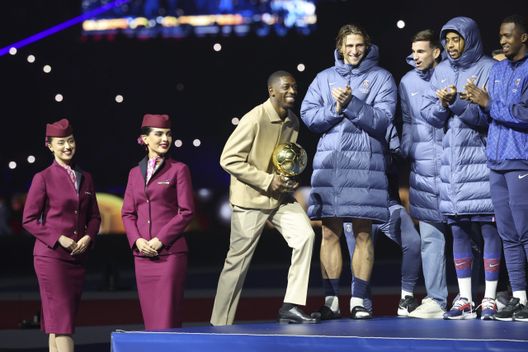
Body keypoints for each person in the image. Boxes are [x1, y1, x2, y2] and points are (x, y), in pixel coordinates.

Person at [301, 24, 396, 319]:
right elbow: (308, 116)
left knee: (363, 233)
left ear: (366, 46)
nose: (354, 51)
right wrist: (335, 108)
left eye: (359, 46)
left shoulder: (382, 77)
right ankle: (330, 301)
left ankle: (358, 299)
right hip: (330, 165)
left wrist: (350, 103)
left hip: (367, 164)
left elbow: (383, 120)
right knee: (329, 234)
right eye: (349, 46)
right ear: (340, 47)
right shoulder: (323, 78)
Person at [210, 71, 318, 325]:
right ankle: (219, 324)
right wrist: (268, 180)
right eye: (286, 88)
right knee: (237, 263)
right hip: (250, 199)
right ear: (271, 91)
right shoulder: (254, 119)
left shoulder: (293, 121)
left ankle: (290, 306)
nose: (292, 92)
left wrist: (287, 178)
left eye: (294, 87)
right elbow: (228, 159)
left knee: (305, 235)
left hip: (278, 197)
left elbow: (282, 160)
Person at [420, 16, 501, 320]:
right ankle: (465, 298)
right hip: (451, 166)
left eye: (457, 39)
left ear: (470, 38)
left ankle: (490, 299)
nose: (451, 46)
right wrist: (442, 104)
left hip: (481, 161)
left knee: (489, 230)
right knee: (458, 230)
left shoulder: (490, 68)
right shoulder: (439, 71)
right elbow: (430, 116)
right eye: (447, 40)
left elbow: (486, 118)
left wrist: (456, 103)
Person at [463, 14, 528, 322]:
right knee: (509, 234)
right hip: (496, 161)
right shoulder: (498, 69)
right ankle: (520, 297)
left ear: (523, 38)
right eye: (501, 36)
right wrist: (468, 103)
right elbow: (488, 115)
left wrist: (488, 103)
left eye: (508, 36)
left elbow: (524, 114)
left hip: (521, 160)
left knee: (526, 232)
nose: (502, 40)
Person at [22, 118, 101, 352]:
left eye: (70, 141)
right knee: (64, 323)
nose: (67, 146)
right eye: (61, 142)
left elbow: (95, 217)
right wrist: (59, 238)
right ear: (49, 145)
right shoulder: (43, 177)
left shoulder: (86, 177)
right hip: (51, 258)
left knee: (58, 322)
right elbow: (28, 219)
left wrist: (89, 237)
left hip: (77, 258)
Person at [121, 114, 195, 329]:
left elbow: (186, 211)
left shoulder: (179, 169)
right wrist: (137, 241)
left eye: (168, 134)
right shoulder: (134, 173)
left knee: (167, 318)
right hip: (142, 256)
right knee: (151, 322)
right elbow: (127, 213)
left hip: (169, 254)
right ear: (144, 139)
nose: (165, 138)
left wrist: (159, 240)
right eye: (159, 134)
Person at [345, 123, 422, 317]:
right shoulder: (345, 126)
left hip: (387, 202)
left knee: (413, 241)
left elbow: (401, 153)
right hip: (355, 205)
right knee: (359, 258)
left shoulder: (385, 123)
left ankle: (406, 297)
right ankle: (362, 304)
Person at [399, 29, 448, 319]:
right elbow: (406, 120)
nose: (415, 57)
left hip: (456, 168)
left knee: (471, 237)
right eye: (413, 51)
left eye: (421, 51)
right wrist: (408, 147)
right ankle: (436, 299)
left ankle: (474, 297)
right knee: (430, 237)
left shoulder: (449, 76)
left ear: (436, 52)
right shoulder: (406, 81)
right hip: (422, 169)